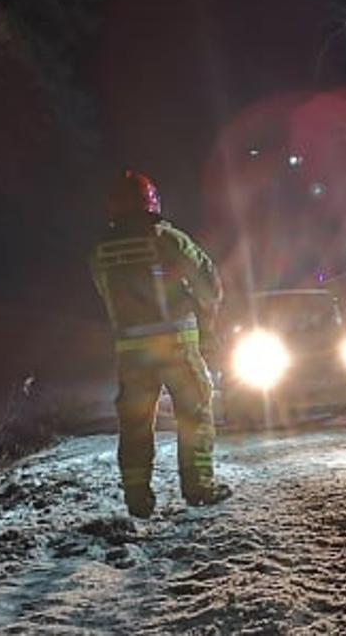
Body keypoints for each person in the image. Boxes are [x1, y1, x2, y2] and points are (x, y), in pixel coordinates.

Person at [90, 171, 231, 518]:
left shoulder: (99, 251)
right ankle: (198, 487)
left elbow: (104, 292)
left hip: (131, 354)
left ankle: (137, 497)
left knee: (135, 424)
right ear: (151, 202)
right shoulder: (168, 239)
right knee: (194, 413)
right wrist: (206, 319)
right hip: (176, 347)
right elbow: (208, 280)